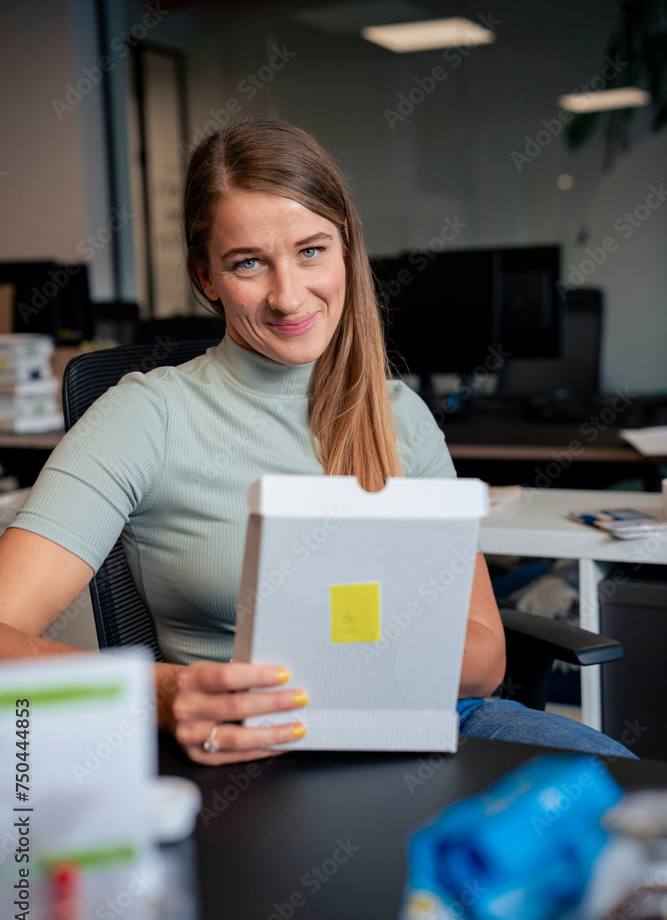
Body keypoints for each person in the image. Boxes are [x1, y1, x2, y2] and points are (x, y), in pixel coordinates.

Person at [0, 117, 634, 762]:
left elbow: (484, 658)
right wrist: (159, 694)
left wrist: (360, 650)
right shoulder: (145, 416)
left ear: (347, 249)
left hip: (438, 725)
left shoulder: (398, 415)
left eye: (311, 250)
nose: (288, 296)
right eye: (248, 263)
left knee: (632, 815)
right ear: (206, 277)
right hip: (257, 755)